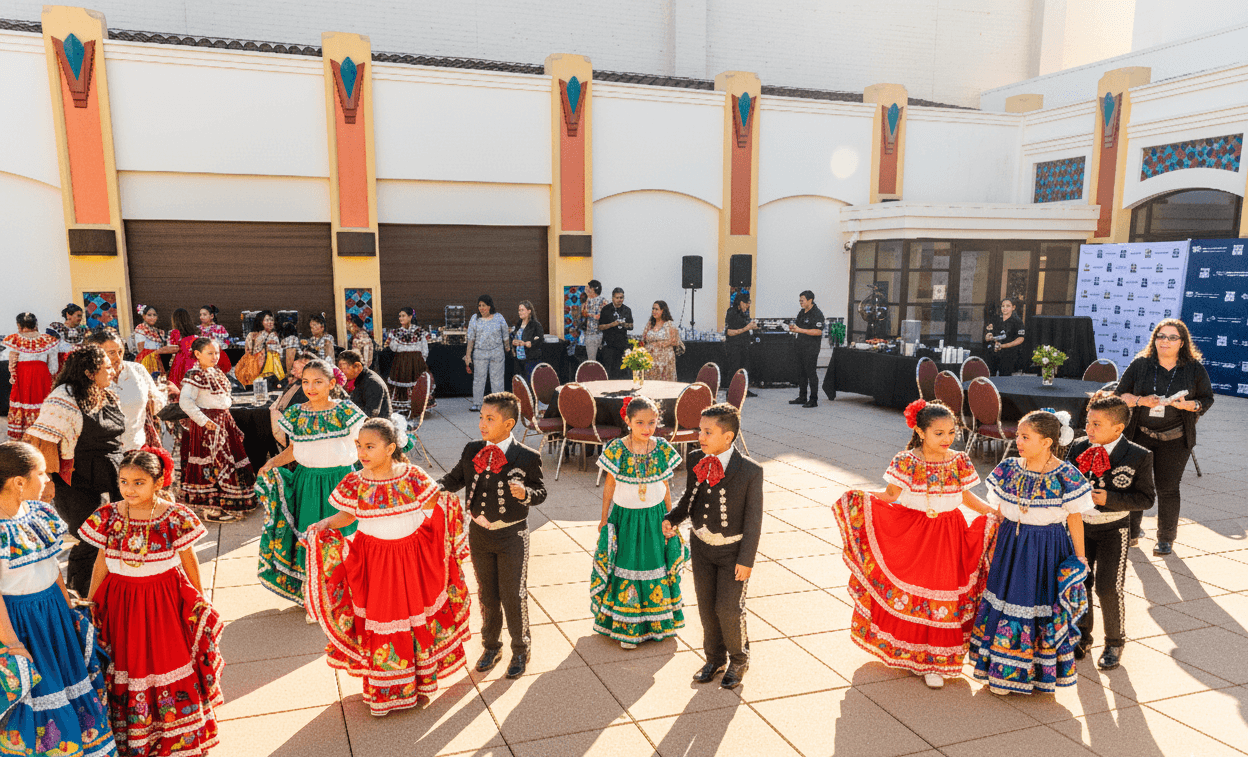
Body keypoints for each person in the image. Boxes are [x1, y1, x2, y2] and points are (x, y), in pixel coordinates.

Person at [304, 418, 472, 716]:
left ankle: (417, 682)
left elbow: (435, 503)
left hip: (411, 559)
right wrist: (324, 524)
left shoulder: (413, 476)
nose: (362, 452)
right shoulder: (356, 482)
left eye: (370, 446)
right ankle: (384, 690)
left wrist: (450, 513)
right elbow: (347, 516)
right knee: (382, 618)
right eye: (359, 446)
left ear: (391, 447)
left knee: (413, 616)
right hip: (375, 562)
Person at [831, 400, 997, 689]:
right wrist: (861, 496)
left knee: (944, 592)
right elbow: (891, 495)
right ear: (921, 432)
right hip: (915, 532)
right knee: (917, 590)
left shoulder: (958, 460)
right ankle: (916, 654)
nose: (947, 439)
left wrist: (993, 514)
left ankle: (936, 660)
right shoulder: (906, 460)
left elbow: (967, 496)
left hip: (950, 533)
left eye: (951, 432)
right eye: (939, 433)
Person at [81, 448, 224, 755]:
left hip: (163, 602)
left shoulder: (175, 517)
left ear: (158, 483)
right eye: (123, 481)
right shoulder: (107, 516)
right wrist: (92, 602)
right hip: (120, 601)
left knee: (165, 661)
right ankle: (135, 737)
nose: (129, 489)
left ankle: (175, 737)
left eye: (138, 482)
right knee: (125, 663)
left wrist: (199, 597)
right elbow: (101, 563)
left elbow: (189, 559)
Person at [0, 441, 116, 757]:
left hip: (53, 613)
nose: (49, 482)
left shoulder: (39, 512)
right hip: (21, 623)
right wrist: (12, 643)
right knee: (38, 690)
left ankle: (83, 745)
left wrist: (66, 606)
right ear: (19, 482)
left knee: (71, 679)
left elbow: (53, 567)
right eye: (42, 473)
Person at [967, 409, 1093, 695]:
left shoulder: (1066, 474)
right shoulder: (1009, 467)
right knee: (1005, 600)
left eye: (1026, 436)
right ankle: (1001, 673)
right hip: (1011, 543)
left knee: (1037, 604)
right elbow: (1000, 509)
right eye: (1019, 435)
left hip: (1047, 547)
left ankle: (1036, 674)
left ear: (1047, 441)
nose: (1018, 440)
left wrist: (1081, 558)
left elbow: (1075, 518)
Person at [438, 393, 546, 679]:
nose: (482, 423)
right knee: (487, 593)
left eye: (490, 419)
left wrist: (526, 494)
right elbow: (454, 479)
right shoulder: (472, 449)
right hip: (479, 533)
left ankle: (521, 648)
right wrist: (429, 487)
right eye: (481, 417)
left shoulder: (527, 456)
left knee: (513, 593)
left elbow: (540, 492)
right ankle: (491, 645)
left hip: (512, 535)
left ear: (508, 423)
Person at [662, 404, 762, 690]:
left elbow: (753, 521)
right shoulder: (697, 459)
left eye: (707, 432)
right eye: (700, 430)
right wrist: (673, 519)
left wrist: (747, 559)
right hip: (702, 547)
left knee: (728, 608)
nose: (700, 437)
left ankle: (739, 659)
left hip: (733, 551)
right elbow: (688, 501)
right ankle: (715, 658)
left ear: (728, 436)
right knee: (707, 606)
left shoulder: (750, 471)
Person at [256, 359, 366, 605]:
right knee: (311, 538)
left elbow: (364, 446)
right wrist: (273, 463)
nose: (311, 387)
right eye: (306, 382)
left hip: (341, 483)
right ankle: (315, 596)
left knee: (344, 536)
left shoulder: (347, 412)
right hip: (307, 483)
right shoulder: (296, 413)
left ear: (332, 383)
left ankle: (347, 592)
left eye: (318, 382)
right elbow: (294, 451)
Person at [23, 344, 124, 597]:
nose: (113, 370)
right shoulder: (63, 399)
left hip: (112, 476)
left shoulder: (106, 394)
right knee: (89, 537)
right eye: (107, 367)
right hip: (75, 481)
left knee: (119, 534)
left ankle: (111, 590)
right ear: (90, 373)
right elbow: (41, 442)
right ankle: (81, 594)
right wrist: (44, 484)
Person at [1067, 392, 1156, 671]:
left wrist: (1110, 499)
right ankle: (1081, 636)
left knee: (1108, 586)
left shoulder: (1139, 455)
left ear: (1118, 428)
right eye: (1088, 422)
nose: (1088, 429)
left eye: (1096, 425)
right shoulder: (1079, 447)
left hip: (1113, 528)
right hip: (1080, 526)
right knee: (1080, 582)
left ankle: (1114, 641)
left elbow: (1146, 499)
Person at [591, 396, 686, 648]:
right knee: (627, 564)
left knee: (655, 563)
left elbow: (665, 484)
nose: (647, 428)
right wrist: (603, 519)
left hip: (655, 518)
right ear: (628, 421)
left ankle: (658, 623)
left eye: (652, 422)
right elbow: (610, 485)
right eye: (640, 422)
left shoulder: (662, 448)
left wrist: (671, 517)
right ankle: (628, 627)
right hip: (626, 518)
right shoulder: (616, 449)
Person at [1114, 318, 1213, 556]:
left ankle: (1166, 538)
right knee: (1136, 485)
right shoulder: (1140, 365)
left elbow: (1207, 399)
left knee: (1168, 488)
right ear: (1154, 339)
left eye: (1172, 337)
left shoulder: (1194, 368)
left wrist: (1190, 405)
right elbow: (1120, 394)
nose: (1165, 341)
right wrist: (1141, 401)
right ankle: (1132, 532)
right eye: (1161, 336)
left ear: (1182, 343)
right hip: (1141, 436)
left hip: (1176, 439)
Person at [179, 337, 256, 523]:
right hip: (209, 427)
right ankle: (214, 507)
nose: (215, 356)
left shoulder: (217, 372)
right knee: (217, 464)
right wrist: (204, 421)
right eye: (210, 353)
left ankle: (235, 502)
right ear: (197, 354)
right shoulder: (194, 375)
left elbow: (223, 398)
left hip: (223, 421)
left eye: (217, 353)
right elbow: (185, 402)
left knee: (231, 461)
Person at [86, 330, 168, 452]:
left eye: (120, 351)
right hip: (104, 452)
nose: (118, 358)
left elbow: (156, 406)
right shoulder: (90, 377)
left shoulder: (137, 370)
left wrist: (162, 394)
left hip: (138, 446)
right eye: (111, 353)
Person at [4, 312, 58, 441]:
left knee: (23, 405)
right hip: (42, 378)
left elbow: (11, 364)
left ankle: (23, 438)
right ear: (36, 324)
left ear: (19, 325)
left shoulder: (14, 340)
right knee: (42, 404)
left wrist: (13, 375)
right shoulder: (49, 341)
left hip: (23, 379)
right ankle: (43, 435)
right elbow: (53, 368)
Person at [464, 295, 510, 412]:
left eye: (483, 305)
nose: (481, 308)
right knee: (479, 379)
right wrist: (468, 355)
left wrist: (507, 347)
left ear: (490, 306)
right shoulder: (475, 319)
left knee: (497, 379)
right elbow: (471, 338)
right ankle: (477, 403)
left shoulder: (499, 317)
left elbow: (505, 334)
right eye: (479, 306)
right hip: (480, 353)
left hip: (497, 353)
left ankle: (498, 404)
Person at [387, 307, 430, 416]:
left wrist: (421, 361)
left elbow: (424, 349)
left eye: (403, 315)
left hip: (415, 362)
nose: (400, 318)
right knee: (402, 384)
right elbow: (393, 348)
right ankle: (404, 407)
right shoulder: (396, 332)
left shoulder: (419, 332)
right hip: (401, 362)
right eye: (400, 316)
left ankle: (416, 406)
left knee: (417, 384)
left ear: (410, 317)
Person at [788, 290, 824, 408]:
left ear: (810, 300)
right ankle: (802, 397)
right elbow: (798, 327)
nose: (800, 302)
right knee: (801, 373)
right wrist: (793, 328)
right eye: (799, 300)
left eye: (802, 300)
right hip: (800, 346)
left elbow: (818, 331)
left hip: (811, 348)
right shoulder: (802, 312)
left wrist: (800, 330)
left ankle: (813, 399)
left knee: (811, 373)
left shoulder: (817, 314)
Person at [235, 310, 285, 387]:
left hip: (265, 369)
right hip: (261, 368)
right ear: (261, 321)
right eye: (267, 320)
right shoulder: (254, 335)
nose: (270, 322)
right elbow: (249, 352)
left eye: (271, 320)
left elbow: (248, 351)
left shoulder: (272, 335)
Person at [338, 349, 393, 419]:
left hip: (376, 425)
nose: (341, 372)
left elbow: (371, 414)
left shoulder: (373, 382)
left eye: (344, 368)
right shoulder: (356, 379)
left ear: (357, 367)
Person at [723, 294, 758, 398]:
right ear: (741, 303)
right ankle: (732, 391)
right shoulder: (731, 312)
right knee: (734, 368)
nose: (747, 307)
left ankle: (744, 390)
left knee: (745, 369)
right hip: (734, 346)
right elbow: (729, 332)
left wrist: (753, 326)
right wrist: (747, 328)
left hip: (744, 345)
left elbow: (747, 326)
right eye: (747, 304)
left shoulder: (744, 314)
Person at [598, 288, 634, 380]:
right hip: (609, 346)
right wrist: (612, 324)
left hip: (622, 345)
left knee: (623, 372)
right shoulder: (606, 309)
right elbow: (600, 327)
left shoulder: (627, 310)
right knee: (609, 372)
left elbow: (631, 326)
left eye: (621, 298)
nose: (619, 300)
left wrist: (623, 324)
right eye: (617, 298)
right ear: (613, 298)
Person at [132, 304, 177, 377]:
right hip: (146, 360)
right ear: (143, 316)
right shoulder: (141, 329)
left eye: (154, 315)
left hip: (157, 360)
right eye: (149, 315)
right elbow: (141, 349)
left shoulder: (157, 331)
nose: (152, 317)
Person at [984, 298, 1025, 376]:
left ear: (1013, 307)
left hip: (1008, 355)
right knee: (989, 377)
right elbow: (989, 333)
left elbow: (1021, 338)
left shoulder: (1017, 322)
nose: (1005, 308)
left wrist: (1003, 346)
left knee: (1005, 379)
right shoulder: (995, 319)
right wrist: (988, 336)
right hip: (992, 354)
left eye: (1008, 306)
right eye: (1003, 306)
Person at [640, 301, 680, 382]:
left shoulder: (669, 324)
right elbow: (643, 339)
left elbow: (675, 341)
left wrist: (660, 344)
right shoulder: (650, 324)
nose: (653, 311)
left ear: (663, 311)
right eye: (653, 309)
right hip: (650, 360)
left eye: (656, 309)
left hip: (665, 360)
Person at [166, 307, 202, 388]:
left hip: (178, 364)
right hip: (193, 362)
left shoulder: (174, 333)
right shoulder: (196, 334)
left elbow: (172, 348)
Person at [47, 303, 88, 371]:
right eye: (78, 316)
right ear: (68, 315)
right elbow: (51, 351)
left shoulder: (83, 330)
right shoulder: (56, 328)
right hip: (61, 367)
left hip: (79, 367)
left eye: (81, 316)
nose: (80, 318)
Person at [511, 300, 544, 380]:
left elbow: (540, 340)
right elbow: (514, 336)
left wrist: (529, 343)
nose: (520, 312)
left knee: (530, 382)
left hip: (530, 360)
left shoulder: (535, 325)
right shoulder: (518, 324)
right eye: (519, 310)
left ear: (529, 311)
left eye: (522, 310)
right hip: (518, 360)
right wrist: (513, 341)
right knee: (520, 383)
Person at [197, 304, 233, 374]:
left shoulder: (220, 328)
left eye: (204, 315)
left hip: (219, 359)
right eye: (200, 314)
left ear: (212, 316)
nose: (201, 317)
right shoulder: (197, 329)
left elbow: (227, 342)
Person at [581, 280, 608, 362]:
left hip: (601, 334)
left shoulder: (603, 301)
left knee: (603, 360)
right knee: (591, 359)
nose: (587, 289)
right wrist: (591, 315)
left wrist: (592, 315)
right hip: (590, 333)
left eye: (588, 287)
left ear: (592, 289)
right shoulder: (587, 300)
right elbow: (583, 313)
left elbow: (604, 316)